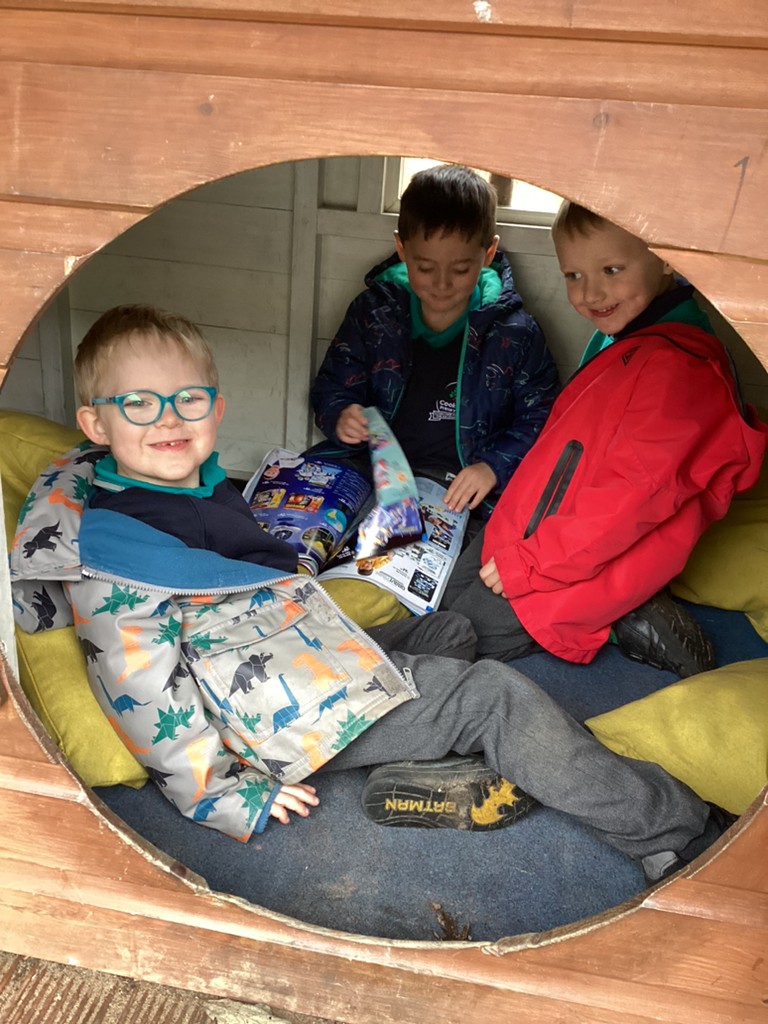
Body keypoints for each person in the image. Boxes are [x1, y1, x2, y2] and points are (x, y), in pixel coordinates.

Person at [10, 305, 730, 884]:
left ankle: (422, 765)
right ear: (96, 423)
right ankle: (672, 830)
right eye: (139, 403)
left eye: (188, 399)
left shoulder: (167, 480)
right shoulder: (116, 556)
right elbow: (141, 691)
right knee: (491, 696)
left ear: (217, 408)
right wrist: (225, 794)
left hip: (292, 646)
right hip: (276, 716)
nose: (168, 419)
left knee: (450, 634)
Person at [441, 202, 768, 677]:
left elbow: (627, 504)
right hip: (542, 527)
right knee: (444, 602)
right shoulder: (628, 335)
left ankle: (625, 612)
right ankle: (627, 607)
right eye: (573, 275)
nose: (590, 293)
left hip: (575, 557)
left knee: (459, 639)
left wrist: (530, 564)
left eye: (611, 270)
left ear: (668, 259)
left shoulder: (678, 371)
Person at [309, 164, 559, 521]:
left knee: (496, 546)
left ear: (488, 253)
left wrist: (492, 467)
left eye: (460, 270)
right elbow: (332, 385)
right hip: (373, 471)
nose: (442, 284)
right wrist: (341, 414)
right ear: (402, 248)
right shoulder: (375, 313)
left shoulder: (514, 333)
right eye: (426, 268)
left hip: (466, 489)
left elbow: (541, 416)